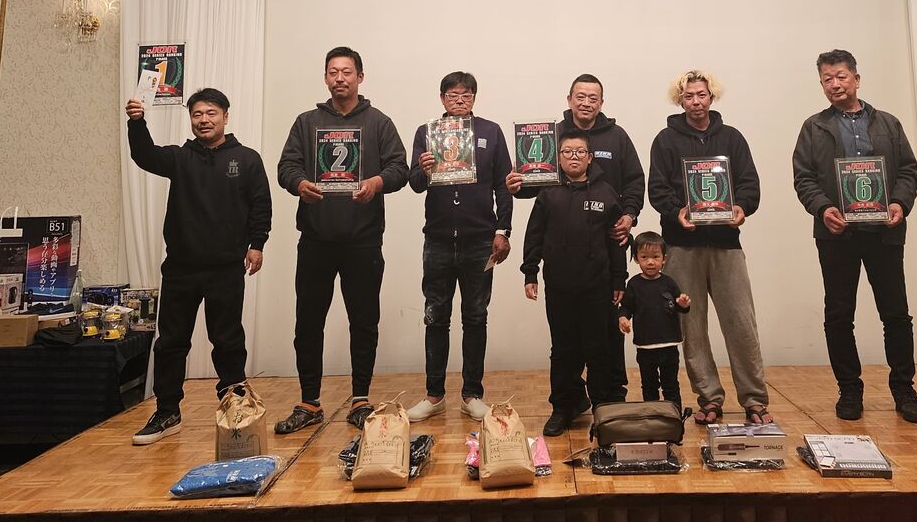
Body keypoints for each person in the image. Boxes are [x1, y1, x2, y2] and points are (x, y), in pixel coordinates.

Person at [124, 87, 271, 445]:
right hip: (181, 268)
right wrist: (137, 123)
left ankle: (236, 410)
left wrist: (257, 244)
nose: (204, 120)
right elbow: (144, 155)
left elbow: (260, 204)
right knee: (171, 343)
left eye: (211, 113)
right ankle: (167, 412)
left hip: (226, 267)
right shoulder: (180, 158)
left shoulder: (247, 159)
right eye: (197, 114)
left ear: (225, 116)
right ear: (190, 119)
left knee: (228, 340)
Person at [275, 46, 408, 434]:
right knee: (308, 322)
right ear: (325, 78)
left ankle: (361, 399)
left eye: (346, 72)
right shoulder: (307, 122)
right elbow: (286, 166)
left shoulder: (379, 122)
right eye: (332, 72)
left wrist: (377, 182)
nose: (339, 78)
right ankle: (309, 402)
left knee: (363, 321)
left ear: (360, 77)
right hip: (315, 239)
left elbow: (399, 168)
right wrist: (299, 183)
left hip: (363, 240)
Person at [792, 49, 917, 424]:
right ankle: (849, 390)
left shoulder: (888, 124)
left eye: (840, 76)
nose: (834, 84)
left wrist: (899, 203)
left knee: (895, 314)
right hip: (836, 235)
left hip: (885, 233)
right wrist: (823, 209)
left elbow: (908, 171)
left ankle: (905, 390)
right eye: (827, 79)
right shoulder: (813, 128)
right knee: (838, 316)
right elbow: (803, 178)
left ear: (856, 78)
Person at [506, 73, 645, 401]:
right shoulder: (551, 136)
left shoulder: (617, 137)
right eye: (580, 96)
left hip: (605, 249)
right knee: (566, 341)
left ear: (601, 102)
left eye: (593, 98)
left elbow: (635, 181)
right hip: (563, 259)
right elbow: (537, 189)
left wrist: (629, 215)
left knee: (607, 336)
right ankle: (570, 400)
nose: (586, 102)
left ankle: (611, 399)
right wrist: (517, 186)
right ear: (569, 99)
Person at [647, 70, 773, 425]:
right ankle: (709, 399)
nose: (696, 101)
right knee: (692, 329)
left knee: (741, 324)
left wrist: (741, 207)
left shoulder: (732, 138)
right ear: (680, 100)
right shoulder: (665, 140)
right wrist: (677, 212)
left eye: (701, 95)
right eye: (689, 96)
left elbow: (749, 184)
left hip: (726, 245)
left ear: (711, 97)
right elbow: (657, 189)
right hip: (681, 246)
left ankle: (754, 400)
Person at [404, 71, 513, 423]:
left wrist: (503, 230)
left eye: (466, 95)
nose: (460, 100)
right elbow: (414, 183)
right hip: (437, 239)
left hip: (480, 239)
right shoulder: (427, 132)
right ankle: (434, 395)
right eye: (453, 95)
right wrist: (423, 169)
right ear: (442, 99)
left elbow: (503, 185)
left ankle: (472, 395)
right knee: (435, 317)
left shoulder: (490, 132)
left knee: (476, 317)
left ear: (475, 98)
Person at [520, 132, 626, 436]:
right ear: (559, 158)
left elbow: (617, 241)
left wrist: (619, 279)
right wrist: (530, 272)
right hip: (559, 285)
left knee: (598, 348)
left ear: (590, 158)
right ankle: (562, 407)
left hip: (597, 286)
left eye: (580, 151)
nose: (574, 157)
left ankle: (602, 409)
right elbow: (534, 234)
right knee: (563, 349)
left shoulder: (606, 193)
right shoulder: (548, 193)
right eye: (567, 152)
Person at [618, 231, 691, 412]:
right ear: (636, 259)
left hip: (669, 345)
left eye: (655, 257)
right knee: (649, 385)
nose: (650, 262)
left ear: (664, 259)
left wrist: (683, 304)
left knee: (671, 385)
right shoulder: (634, 284)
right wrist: (623, 318)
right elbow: (626, 307)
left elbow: (680, 307)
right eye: (644, 257)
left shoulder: (669, 283)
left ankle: (674, 417)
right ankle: (652, 416)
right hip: (645, 346)